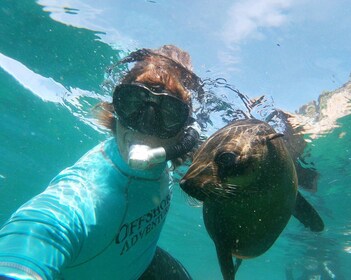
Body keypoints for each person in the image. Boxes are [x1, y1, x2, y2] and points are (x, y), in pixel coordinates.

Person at [0, 45, 201, 280]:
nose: (143, 127)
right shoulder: (79, 198)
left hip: (147, 264)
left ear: (183, 133)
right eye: (132, 102)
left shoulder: (166, 160)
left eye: (168, 113)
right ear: (115, 109)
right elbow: (40, 232)